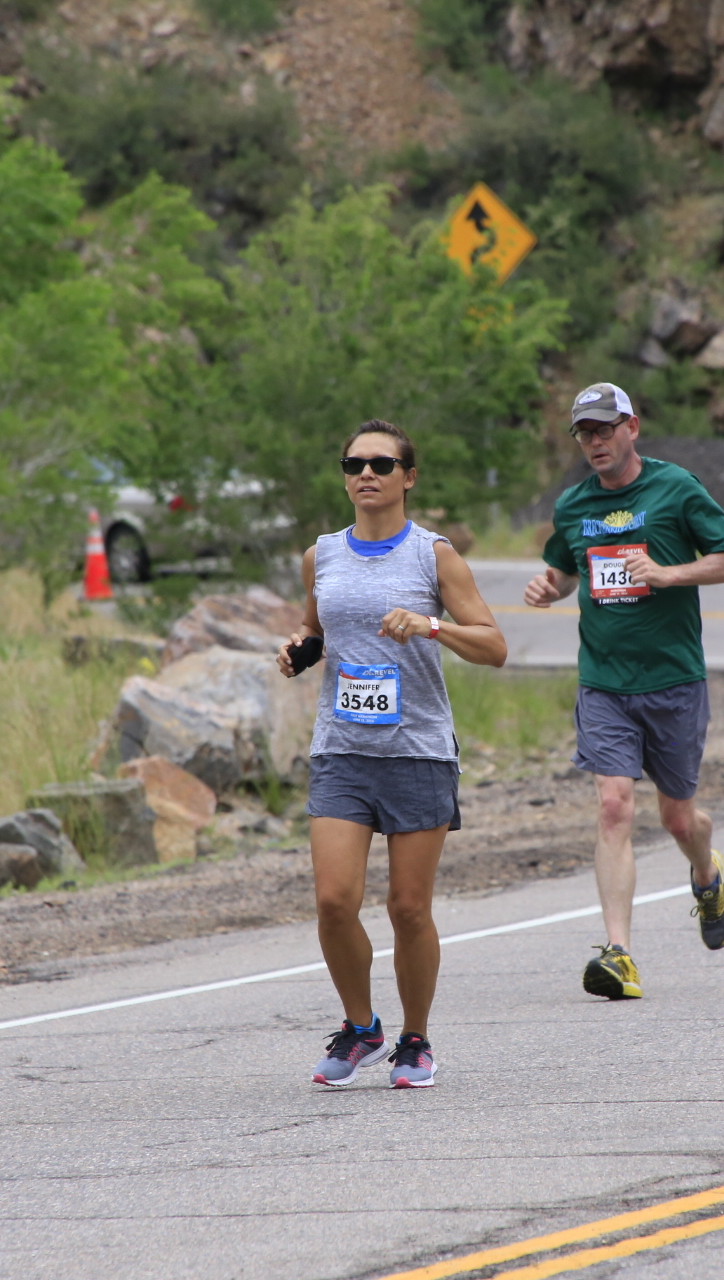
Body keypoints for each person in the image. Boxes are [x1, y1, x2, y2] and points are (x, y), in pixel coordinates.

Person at [279, 420, 507, 1089]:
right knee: (333, 901)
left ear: (408, 477)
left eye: (381, 464)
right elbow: (316, 628)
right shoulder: (321, 555)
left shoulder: (433, 557)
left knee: (408, 908)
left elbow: (493, 646)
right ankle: (361, 1028)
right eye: (353, 464)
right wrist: (299, 651)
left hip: (418, 752)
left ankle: (415, 1040)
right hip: (342, 749)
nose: (366, 474)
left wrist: (431, 624)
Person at [523, 382, 724, 1000]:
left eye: (605, 429)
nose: (595, 442)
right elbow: (566, 570)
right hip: (604, 682)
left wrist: (669, 573)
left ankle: (705, 872)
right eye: (585, 434)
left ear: (632, 427)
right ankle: (619, 954)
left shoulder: (676, 488)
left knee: (678, 819)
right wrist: (549, 587)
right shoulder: (574, 505)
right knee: (614, 805)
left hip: (673, 680)